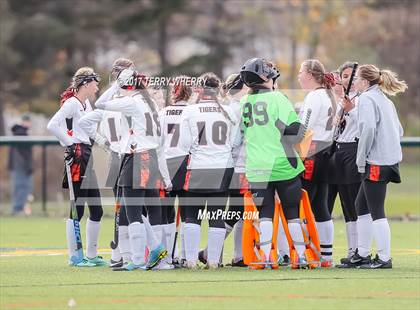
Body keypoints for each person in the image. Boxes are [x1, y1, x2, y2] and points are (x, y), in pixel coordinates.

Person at [95, 68, 172, 271]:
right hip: (151, 157)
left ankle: (138, 259)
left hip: (137, 156)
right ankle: (156, 250)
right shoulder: (150, 102)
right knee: (147, 209)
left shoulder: (132, 101)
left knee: (133, 212)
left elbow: (99, 103)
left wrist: (115, 85)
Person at [240, 58, 308, 269]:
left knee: (265, 213)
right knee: (292, 212)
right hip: (282, 163)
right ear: (264, 77)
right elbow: (296, 132)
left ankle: (266, 255)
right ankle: (300, 255)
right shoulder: (278, 98)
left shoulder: (244, 103)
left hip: (256, 166)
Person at [346, 64, 407, 269]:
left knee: (376, 211)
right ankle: (362, 254)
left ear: (365, 81)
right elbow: (399, 130)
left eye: (356, 80)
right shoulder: (384, 99)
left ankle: (384, 258)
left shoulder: (367, 98)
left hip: (376, 162)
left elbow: (369, 129)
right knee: (360, 206)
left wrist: (361, 158)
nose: (354, 83)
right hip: (387, 160)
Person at [47, 67, 106, 267]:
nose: (97, 86)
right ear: (86, 84)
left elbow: (89, 128)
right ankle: (74, 256)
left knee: (96, 209)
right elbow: (52, 125)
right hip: (77, 154)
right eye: (94, 83)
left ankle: (91, 254)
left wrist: (102, 141)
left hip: (87, 153)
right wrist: (69, 143)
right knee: (77, 209)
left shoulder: (86, 103)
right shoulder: (72, 103)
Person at [79, 58, 135, 268]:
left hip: (117, 156)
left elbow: (85, 122)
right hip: (125, 155)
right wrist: (105, 142)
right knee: (129, 208)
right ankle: (121, 254)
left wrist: (104, 142)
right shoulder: (125, 99)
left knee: (124, 207)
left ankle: (119, 253)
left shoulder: (110, 98)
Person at [180, 72, 239, 269]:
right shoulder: (229, 111)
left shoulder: (191, 111)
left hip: (198, 167)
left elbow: (184, 143)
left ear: (199, 89)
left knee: (192, 216)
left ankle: (190, 261)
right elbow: (235, 142)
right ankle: (213, 262)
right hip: (223, 167)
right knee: (217, 215)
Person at [297, 59, 336, 267]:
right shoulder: (328, 95)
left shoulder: (314, 96)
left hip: (313, 152)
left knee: (303, 203)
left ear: (310, 75)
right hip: (327, 151)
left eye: (301, 72)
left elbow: (305, 127)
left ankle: (304, 253)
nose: (298, 76)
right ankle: (326, 256)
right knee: (321, 205)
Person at [327, 62, 364, 267]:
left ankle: (360, 250)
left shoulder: (362, 100)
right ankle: (352, 250)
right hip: (339, 151)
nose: (347, 79)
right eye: (344, 75)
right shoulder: (343, 101)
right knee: (346, 204)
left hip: (353, 150)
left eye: (351, 75)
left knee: (354, 202)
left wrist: (351, 110)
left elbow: (365, 125)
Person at [158, 77, 192, 266]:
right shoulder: (193, 112)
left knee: (166, 212)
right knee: (188, 212)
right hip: (186, 162)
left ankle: (168, 256)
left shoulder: (163, 112)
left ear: (174, 92)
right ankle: (186, 256)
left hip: (166, 163)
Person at [8, 114, 33, 216]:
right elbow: (23, 155)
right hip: (20, 166)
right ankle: (17, 209)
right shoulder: (20, 133)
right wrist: (28, 166)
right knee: (21, 187)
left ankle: (19, 208)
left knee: (21, 187)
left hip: (19, 166)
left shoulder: (20, 133)